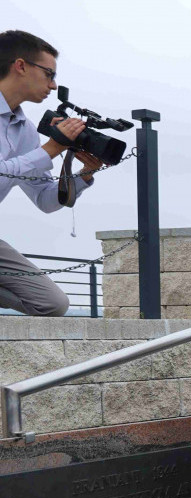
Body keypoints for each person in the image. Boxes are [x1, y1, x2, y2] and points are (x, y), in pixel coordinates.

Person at [0, 30, 102, 317]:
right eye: (48, 73)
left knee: (52, 303)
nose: (54, 85)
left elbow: (46, 200)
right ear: (20, 66)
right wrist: (52, 148)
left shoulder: (25, 131)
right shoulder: (40, 141)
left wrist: (84, 173)